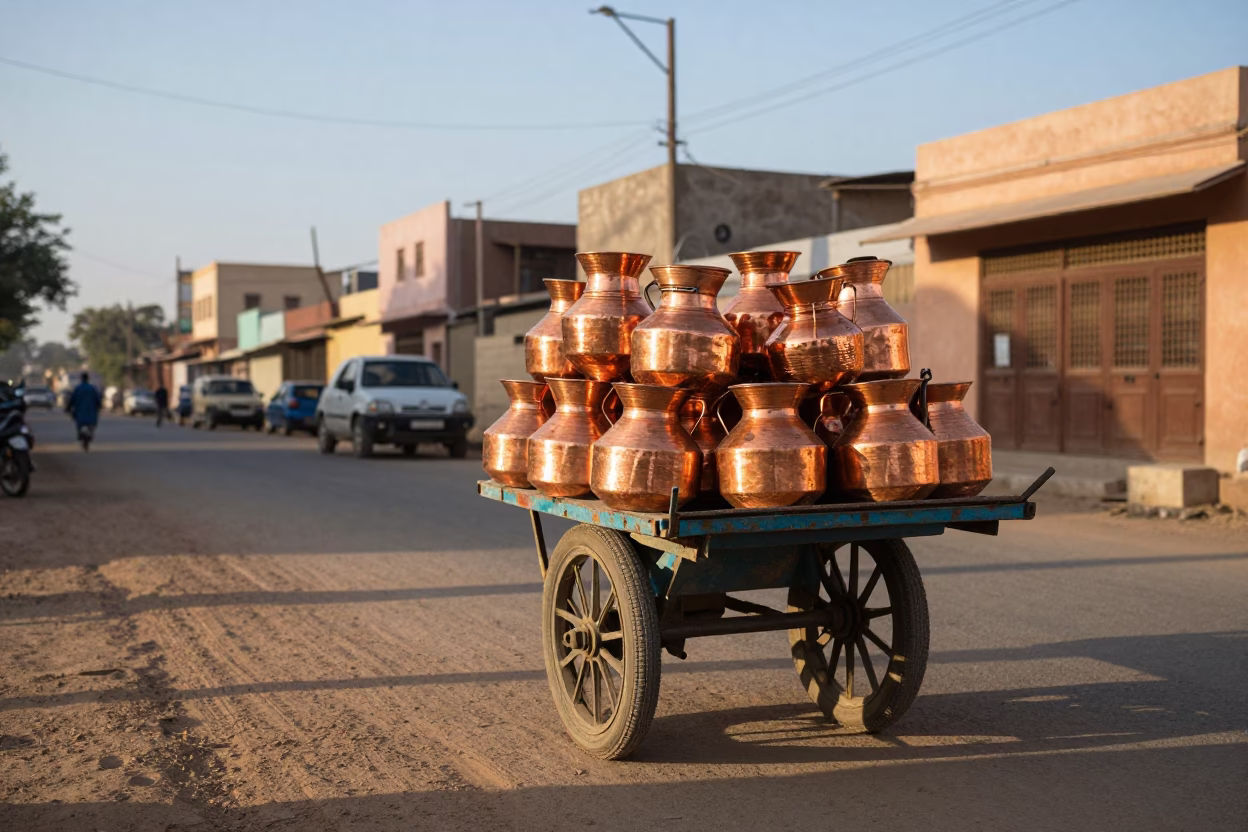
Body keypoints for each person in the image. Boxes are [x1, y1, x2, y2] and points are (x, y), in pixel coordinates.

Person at [66, 372, 102, 450]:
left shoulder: (78, 388)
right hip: (91, 412)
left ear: (81, 379)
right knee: (92, 424)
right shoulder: (92, 388)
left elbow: (72, 400)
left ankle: (81, 435)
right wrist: (99, 407)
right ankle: (87, 435)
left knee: (80, 423)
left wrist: (68, 408)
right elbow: (98, 400)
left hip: (80, 412)